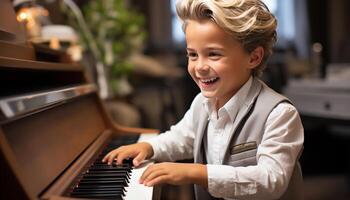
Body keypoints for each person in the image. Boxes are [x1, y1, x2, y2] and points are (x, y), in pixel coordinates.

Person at [103, 0, 304, 199]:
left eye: (213, 54)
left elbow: (270, 180)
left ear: (253, 58)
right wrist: (149, 147)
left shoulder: (280, 114)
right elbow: (182, 138)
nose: (199, 67)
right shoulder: (202, 103)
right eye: (192, 55)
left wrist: (197, 173)